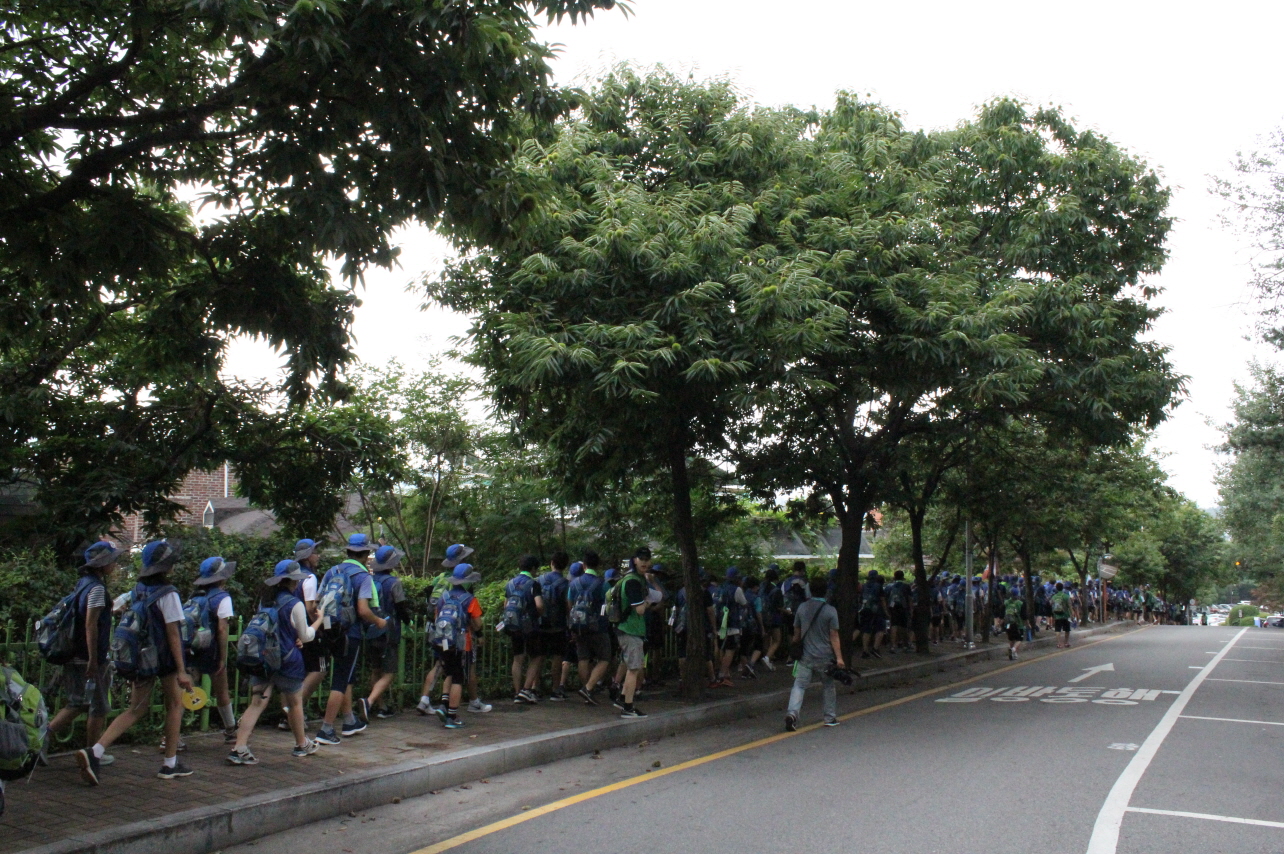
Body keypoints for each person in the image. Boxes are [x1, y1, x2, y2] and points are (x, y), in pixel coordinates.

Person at [77, 540, 193, 784]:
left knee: (136, 709)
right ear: (166, 567)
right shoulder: (168, 593)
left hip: (141, 657)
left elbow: (120, 608)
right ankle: (169, 764)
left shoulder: (140, 588)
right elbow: (174, 633)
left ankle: (95, 751)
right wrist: (182, 669)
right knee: (175, 705)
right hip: (164, 660)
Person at [227, 561, 324, 764]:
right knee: (295, 702)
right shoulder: (294, 603)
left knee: (256, 703)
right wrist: (319, 620)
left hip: (262, 658)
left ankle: (239, 747)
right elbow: (305, 636)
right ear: (293, 582)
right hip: (288, 660)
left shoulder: (266, 601)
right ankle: (301, 744)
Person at [48, 541, 123, 762]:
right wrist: (93, 659)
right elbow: (90, 625)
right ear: (103, 564)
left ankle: (41, 741)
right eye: (113, 560)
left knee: (79, 703)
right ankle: (92, 754)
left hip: (74, 652)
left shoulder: (83, 583)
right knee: (97, 706)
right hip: (88, 655)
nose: (115, 564)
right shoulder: (98, 588)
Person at [315, 533, 386, 746]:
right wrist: (379, 621)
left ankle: (349, 721)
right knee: (340, 680)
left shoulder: (332, 571)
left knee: (344, 676)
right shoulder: (363, 576)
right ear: (365, 554)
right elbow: (364, 610)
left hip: (330, 630)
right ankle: (326, 729)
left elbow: (317, 603)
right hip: (350, 633)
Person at [417, 543, 472, 716]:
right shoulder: (463, 582)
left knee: (439, 663)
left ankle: (425, 700)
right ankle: (446, 703)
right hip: (453, 632)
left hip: (436, 627)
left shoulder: (439, 578)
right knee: (452, 668)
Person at [785, 577, 846, 731]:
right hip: (825, 656)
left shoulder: (802, 608)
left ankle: (792, 714)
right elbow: (834, 636)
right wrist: (839, 658)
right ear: (826, 591)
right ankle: (829, 717)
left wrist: (794, 651)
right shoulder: (830, 610)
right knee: (828, 686)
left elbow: (796, 633)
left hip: (805, 656)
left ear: (810, 590)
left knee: (799, 685)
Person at [188, 556, 237, 740]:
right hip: (212, 652)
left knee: (186, 693)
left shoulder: (195, 596)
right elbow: (223, 629)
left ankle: (171, 738)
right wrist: (223, 658)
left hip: (192, 649)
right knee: (222, 690)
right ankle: (231, 729)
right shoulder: (222, 597)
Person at [430, 563, 484, 729]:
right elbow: (477, 623)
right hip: (462, 644)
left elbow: (436, 618)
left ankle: (444, 705)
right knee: (458, 678)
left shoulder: (444, 597)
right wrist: (480, 635)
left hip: (442, 642)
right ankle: (452, 716)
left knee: (449, 673)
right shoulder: (470, 599)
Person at [280, 538, 325, 730]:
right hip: (306, 629)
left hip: (289, 630)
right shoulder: (309, 577)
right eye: (315, 552)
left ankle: (285, 713)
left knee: (290, 674)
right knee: (319, 669)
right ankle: (294, 711)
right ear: (307, 556)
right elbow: (310, 606)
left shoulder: (291, 575)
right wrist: (319, 620)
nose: (318, 555)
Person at [362, 546, 411, 720]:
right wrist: (408, 621)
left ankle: (382, 707)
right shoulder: (394, 583)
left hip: (370, 629)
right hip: (388, 631)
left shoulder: (368, 579)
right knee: (389, 672)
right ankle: (368, 703)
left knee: (375, 670)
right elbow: (401, 607)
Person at [569, 550, 612, 703]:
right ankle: (588, 688)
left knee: (583, 657)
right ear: (598, 565)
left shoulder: (574, 583)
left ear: (584, 565)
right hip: (598, 626)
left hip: (578, 625)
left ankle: (586, 689)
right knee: (605, 658)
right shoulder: (603, 584)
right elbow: (609, 605)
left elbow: (570, 603)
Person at [614, 548, 652, 718]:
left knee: (631, 666)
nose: (644, 562)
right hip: (630, 630)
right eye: (641, 559)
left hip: (625, 628)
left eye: (647, 559)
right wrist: (649, 602)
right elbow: (640, 610)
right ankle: (628, 708)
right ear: (635, 560)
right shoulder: (633, 582)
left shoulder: (632, 579)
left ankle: (623, 698)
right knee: (634, 668)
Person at [504, 555, 545, 704]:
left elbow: (505, 605)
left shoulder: (510, 584)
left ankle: (517, 692)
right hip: (529, 626)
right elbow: (539, 605)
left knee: (518, 658)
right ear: (533, 568)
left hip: (513, 624)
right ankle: (527, 690)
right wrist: (536, 615)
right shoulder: (533, 584)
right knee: (536, 657)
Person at [537, 551, 571, 700]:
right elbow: (568, 606)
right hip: (558, 625)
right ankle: (555, 689)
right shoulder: (565, 583)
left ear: (551, 563)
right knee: (557, 656)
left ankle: (534, 688)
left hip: (540, 623)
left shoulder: (539, 579)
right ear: (565, 566)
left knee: (539, 656)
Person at [712, 567, 748, 686]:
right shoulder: (736, 590)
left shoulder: (719, 589)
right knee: (730, 649)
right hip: (731, 623)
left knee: (720, 647)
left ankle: (722, 672)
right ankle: (722, 675)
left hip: (719, 622)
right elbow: (744, 604)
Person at [857, 569, 888, 658]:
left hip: (865, 610)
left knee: (866, 630)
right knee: (880, 629)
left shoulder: (863, 586)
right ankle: (875, 648)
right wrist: (886, 612)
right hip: (877, 611)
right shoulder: (878, 586)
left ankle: (865, 650)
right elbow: (882, 600)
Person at [884, 570, 911, 653]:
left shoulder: (889, 586)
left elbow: (885, 599)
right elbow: (910, 599)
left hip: (892, 608)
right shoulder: (906, 586)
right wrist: (910, 609)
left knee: (894, 625)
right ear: (903, 577)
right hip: (903, 608)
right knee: (904, 626)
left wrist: (887, 610)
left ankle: (892, 646)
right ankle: (905, 645)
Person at [1003, 587, 1027, 660]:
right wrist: (1027, 624)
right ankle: (1013, 649)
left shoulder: (1006, 602)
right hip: (1018, 624)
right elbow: (1024, 616)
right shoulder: (1020, 603)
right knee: (1019, 639)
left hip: (1007, 624)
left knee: (1011, 639)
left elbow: (1002, 614)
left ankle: (1013, 653)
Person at [1051, 581, 1073, 648]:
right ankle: (1066, 643)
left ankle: (1059, 643)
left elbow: (1051, 604)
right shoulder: (1066, 596)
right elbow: (1070, 606)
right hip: (1065, 615)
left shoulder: (1054, 596)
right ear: (1063, 588)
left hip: (1057, 615)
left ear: (1057, 588)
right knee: (1067, 629)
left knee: (1057, 630)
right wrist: (1071, 614)